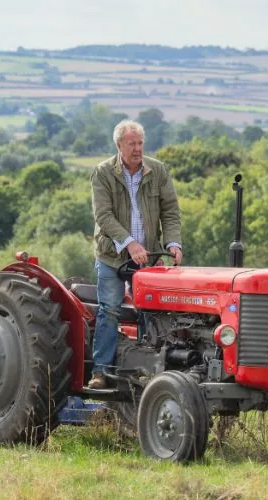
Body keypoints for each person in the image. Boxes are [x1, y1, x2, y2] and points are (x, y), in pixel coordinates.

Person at [88, 119, 183, 389]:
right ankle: (100, 371)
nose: (138, 148)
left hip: (148, 258)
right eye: (132, 143)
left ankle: (146, 371)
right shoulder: (103, 173)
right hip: (113, 256)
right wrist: (129, 243)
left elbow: (170, 211)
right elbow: (103, 216)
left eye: (140, 143)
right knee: (110, 309)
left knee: (150, 313)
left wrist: (173, 243)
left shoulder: (157, 171)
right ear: (119, 145)